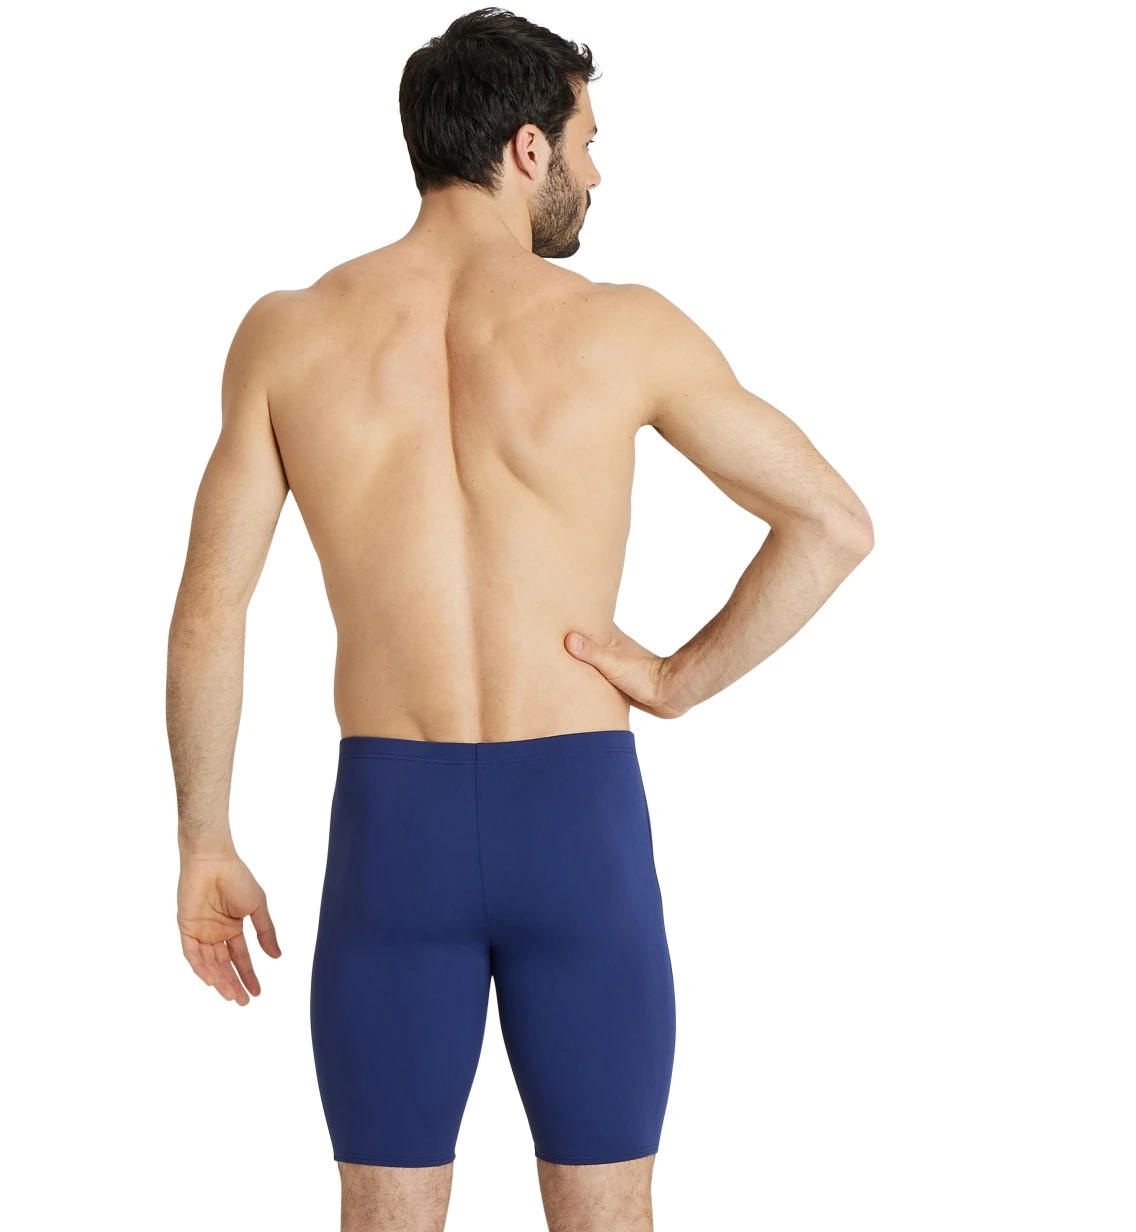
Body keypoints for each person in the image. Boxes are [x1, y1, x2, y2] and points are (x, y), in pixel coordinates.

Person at [165, 8, 873, 1230]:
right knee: (607, 1208)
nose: (596, 173)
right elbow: (831, 523)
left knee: (384, 1208)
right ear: (526, 147)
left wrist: (202, 838)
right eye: (588, 142)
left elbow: (208, 611)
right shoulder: (619, 328)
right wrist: (674, 678)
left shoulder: (290, 333)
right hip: (577, 821)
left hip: (392, 830)